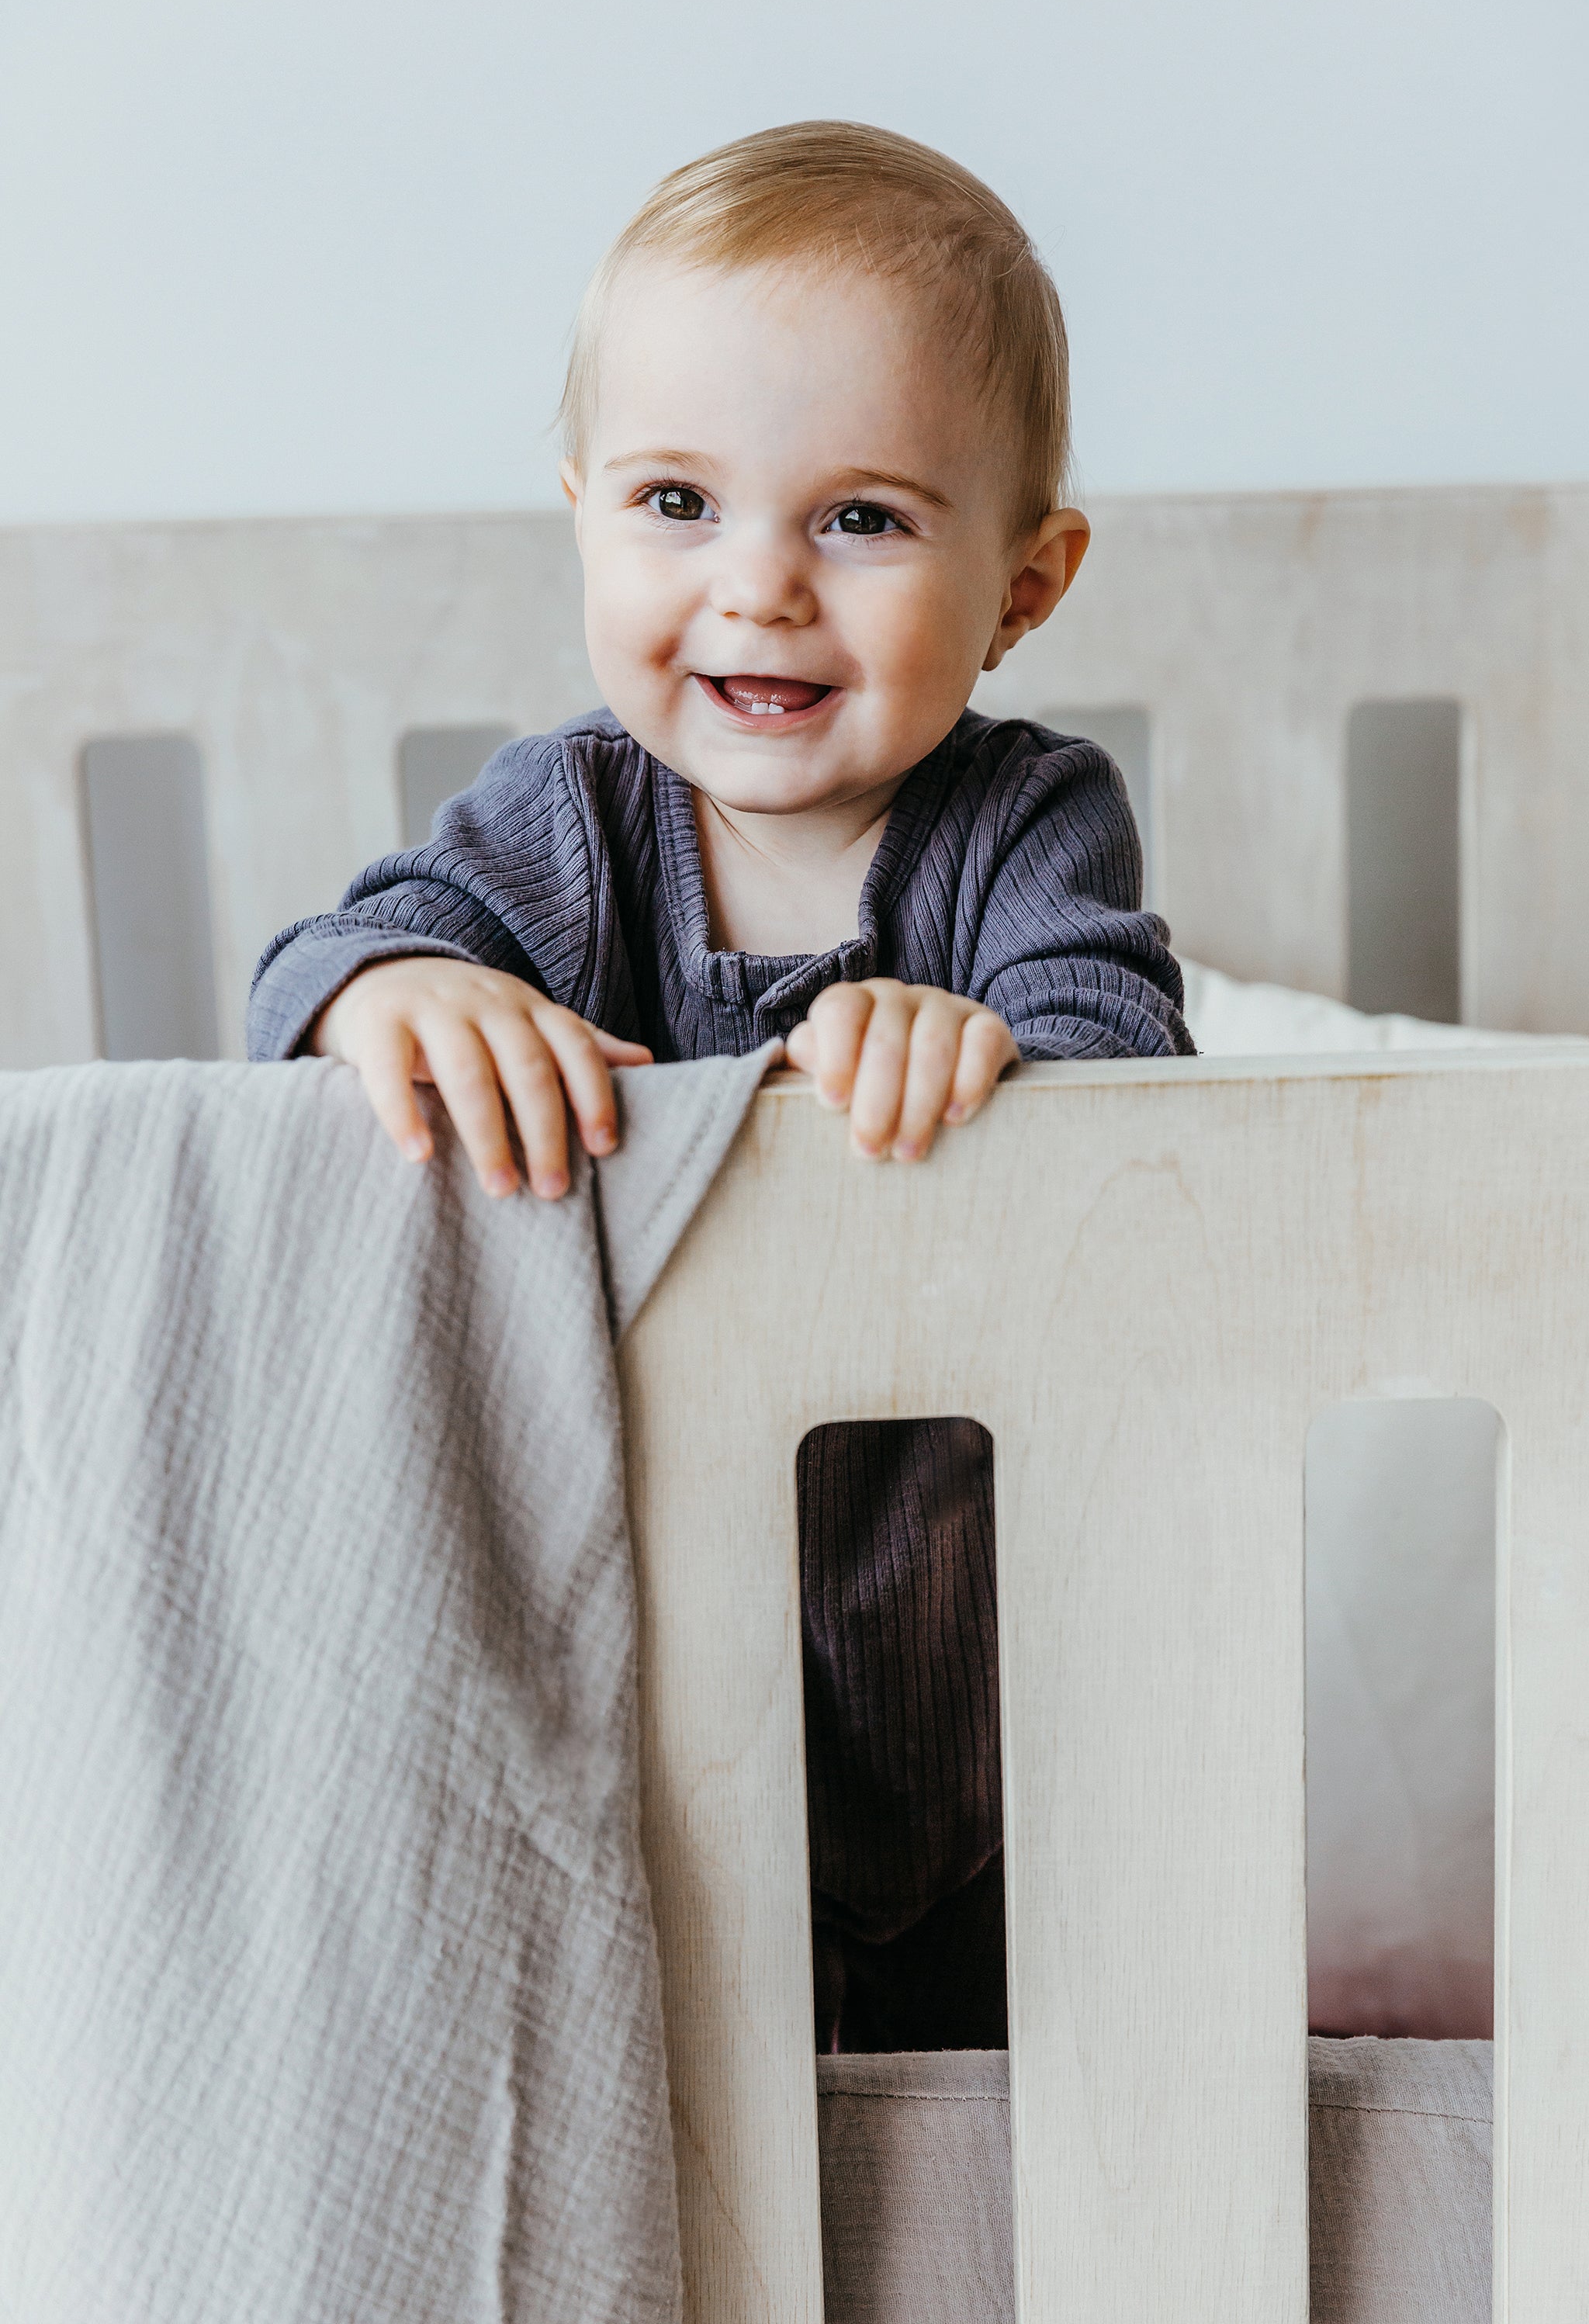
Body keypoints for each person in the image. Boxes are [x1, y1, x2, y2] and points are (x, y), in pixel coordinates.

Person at [248, 119, 1192, 2049]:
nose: (759, 587)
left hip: (970, 1698)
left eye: (861, 519)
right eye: (679, 501)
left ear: (1026, 581)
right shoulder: (563, 822)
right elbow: (327, 962)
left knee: (997, 2127)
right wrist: (411, 990)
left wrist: (992, 1050)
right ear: (583, 510)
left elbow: (1134, 1085)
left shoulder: (1024, 825)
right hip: (614, 1698)